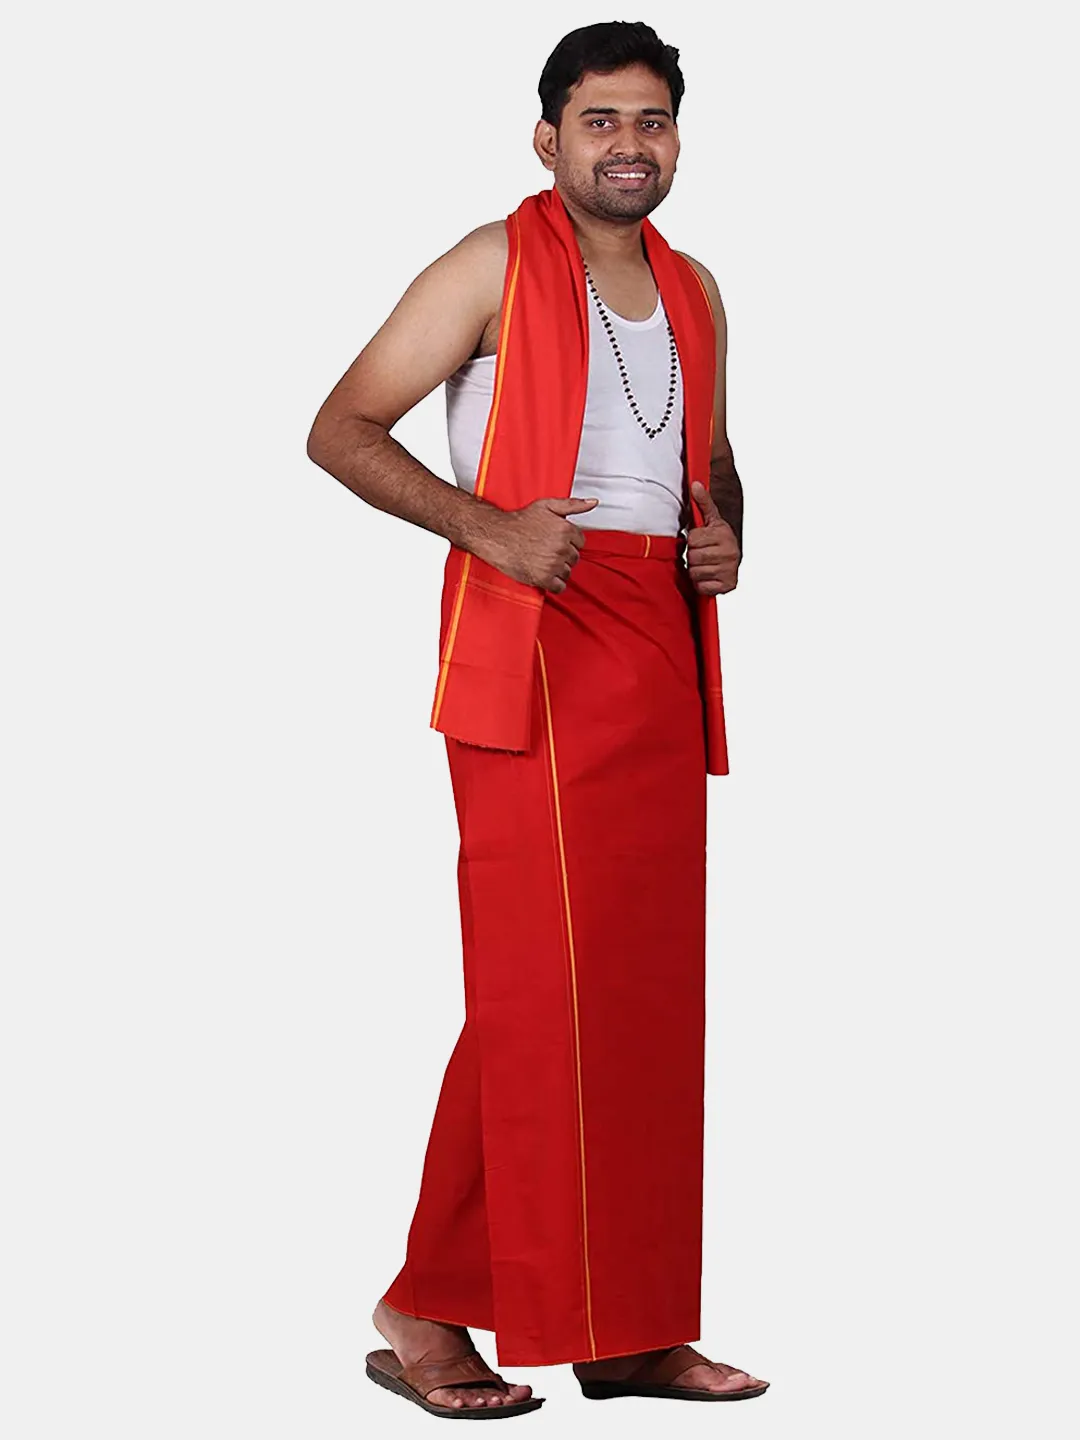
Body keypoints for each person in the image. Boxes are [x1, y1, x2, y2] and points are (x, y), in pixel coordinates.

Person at [306, 20, 767, 1420]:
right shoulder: (489, 265)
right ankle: (425, 1306)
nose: (628, 144)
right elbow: (341, 428)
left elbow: (713, 462)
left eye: (651, 120)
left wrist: (728, 538)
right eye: (599, 119)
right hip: (535, 646)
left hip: (657, 648)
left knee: (638, 998)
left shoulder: (696, 290)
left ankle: (627, 1328)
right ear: (548, 136)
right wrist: (489, 529)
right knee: (541, 988)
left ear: (677, 138)